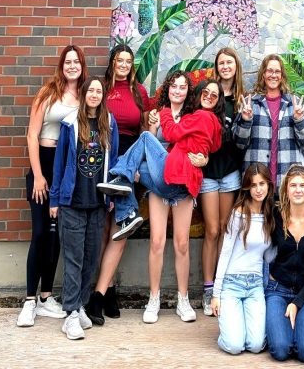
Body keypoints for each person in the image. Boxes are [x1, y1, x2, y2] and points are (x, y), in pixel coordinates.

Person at [98, 78, 223, 323]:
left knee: (182, 244)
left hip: (182, 184)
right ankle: (153, 298)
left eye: (183, 87)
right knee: (156, 242)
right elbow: (148, 145)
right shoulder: (156, 114)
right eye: (174, 86)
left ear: (189, 93)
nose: (178, 90)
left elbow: (204, 144)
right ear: (168, 89)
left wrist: (204, 159)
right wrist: (140, 166)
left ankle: (183, 299)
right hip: (160, 179)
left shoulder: (193, 115)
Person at [17, 44, 87, 328]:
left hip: (67, 169)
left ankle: (46, 297)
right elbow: (32, 135)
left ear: (82, 65)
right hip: (44, 167)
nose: (72, 66)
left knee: (57, 235)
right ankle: (29, 301)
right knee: (40, 233)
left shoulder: (84, 96)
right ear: (61, 65)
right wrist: (37, 175)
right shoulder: (48, 92)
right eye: (67, 61)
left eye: (76, 61)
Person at [49, 78, 119, 341]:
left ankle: (79, 306)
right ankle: (69, 314)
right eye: (91, 90)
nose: (95, 94)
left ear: (103, 96)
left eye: (99, 91)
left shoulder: (109, 123)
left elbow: (114, 160)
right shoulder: (70, 123)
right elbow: (59, 163)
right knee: (74, 259)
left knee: (90, 260)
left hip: (97, 203)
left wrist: (111, 193)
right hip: (72, 202)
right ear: (83, 93)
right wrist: (55, 199)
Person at [86, 44, 151, 325]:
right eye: (119, 60)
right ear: (112, 62)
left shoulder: (139, 92)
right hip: (104, 158)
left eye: (128, 61)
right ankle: (107, 290)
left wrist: (138, 167)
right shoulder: (101, 87)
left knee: (121, 230)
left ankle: (99, 295)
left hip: (129, 164)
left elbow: (145, 131)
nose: (123, 64)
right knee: (103, 228)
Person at [265, 165, 304, 363]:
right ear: (286, 189)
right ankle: (283, 331)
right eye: (293, 185)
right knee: (280, 351)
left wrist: (297, 303)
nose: (298, 190)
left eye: (302, 185)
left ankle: (297, 329)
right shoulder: (276, 216)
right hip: (278, 289)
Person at [211, 162, 275, 354]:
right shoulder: (238, 213)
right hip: (232, 284)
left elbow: (269, 256)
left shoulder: (270, 215)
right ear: (247, 188)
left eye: (262, 184)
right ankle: (228, 332)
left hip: (255, 286)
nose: (258, 189)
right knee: (235, 346)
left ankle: (241, 328)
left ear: (269, 185)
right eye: (253, 185)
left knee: (256, 345)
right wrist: (216, 294)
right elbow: (225, 252)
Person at [200, 47, 245, 315]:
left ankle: (220, 287)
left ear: (236, 66)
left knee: (227, 231)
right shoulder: (208, 96)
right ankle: (208, 289)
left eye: (230, 62)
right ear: (216, 67)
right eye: (221, 63)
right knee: (212, 230)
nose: (225, 67)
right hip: (207, 172)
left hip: (230, 172)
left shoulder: (241, 100)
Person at [233, 54, 304, 189]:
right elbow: (239, 144)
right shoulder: (250, 103)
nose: (273, 75)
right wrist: (246, 120)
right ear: (263, 74)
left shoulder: (294, 103)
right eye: (269, 71)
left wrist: (299, 120)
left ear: (282, 76)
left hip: (288, 182)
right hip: (257, 184)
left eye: (277, 71)